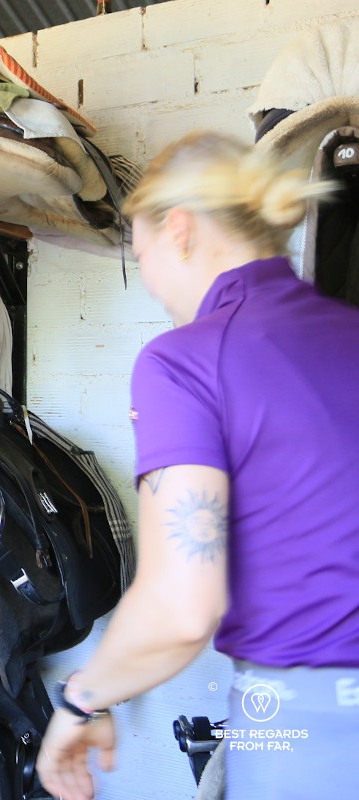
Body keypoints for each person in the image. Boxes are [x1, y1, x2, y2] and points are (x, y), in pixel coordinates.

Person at [36, 131, 359, 800]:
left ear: (179, 231)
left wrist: (81, 700)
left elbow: (182, 609)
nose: (152, 285)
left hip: (313, 728)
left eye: (143, 255)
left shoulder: (183, 362)